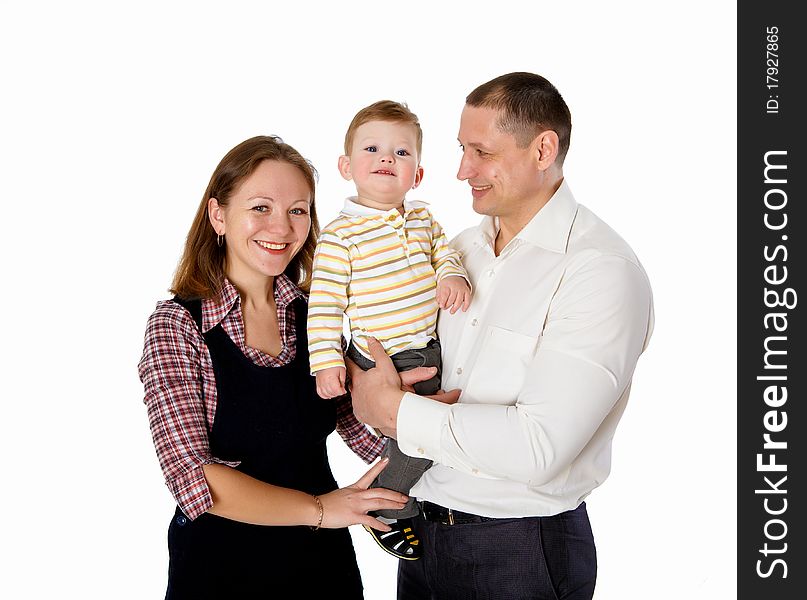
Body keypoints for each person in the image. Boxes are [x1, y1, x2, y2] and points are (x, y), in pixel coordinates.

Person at [347, 73, 655, 599]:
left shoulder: (598, 272)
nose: (463, 170)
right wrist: (365, 377)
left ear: (543, 149)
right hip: (422, 535)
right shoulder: (458, 251)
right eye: (461, 149)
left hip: (520, 552)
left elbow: (541, 448)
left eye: (481, 151)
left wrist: (393, 410)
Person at [138, 135, 421, 599]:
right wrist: (322, 510)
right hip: (219, 572)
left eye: (298, 210)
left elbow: (362, 434)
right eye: (261, 207)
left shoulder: (317, 318)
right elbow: (193, 479)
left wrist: (412, 411)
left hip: (322, 571)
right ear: (218, 215)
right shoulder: (178, 326)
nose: (283, 228)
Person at [307, 100, 472, 561]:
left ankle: (403, 500)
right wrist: (324, 363)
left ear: (417, 174)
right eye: (373, 148)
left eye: (402, 153)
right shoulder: (342, 235)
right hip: (382, 354)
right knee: (425, 435)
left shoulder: (424, 220)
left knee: (426, 434)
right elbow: (323, 306)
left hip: (426, 349)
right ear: (346, 165)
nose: (387, 159)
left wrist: (451, 276)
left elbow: (446, 255)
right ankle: (388, 509)